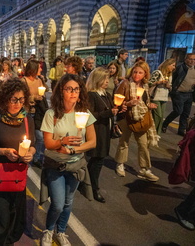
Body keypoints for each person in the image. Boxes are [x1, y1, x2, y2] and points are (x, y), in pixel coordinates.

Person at [40, 74, 96, 246]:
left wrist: (74, 149)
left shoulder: (84, 114)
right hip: (56, 165)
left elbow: (93, 142)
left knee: (68, 202)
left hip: (76, 165)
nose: (73, 92)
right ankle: (48, 229)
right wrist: (62, 142)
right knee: (57, 203)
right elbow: (48, 144)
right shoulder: (52, 114)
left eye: (76, 89)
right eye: (69, 89)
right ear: (61, 92)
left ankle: (61, 231)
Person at [0, 78, 36, 245]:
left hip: (18, 176)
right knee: (0, 220)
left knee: (15, 219)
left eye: (21, 99)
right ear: (5, 98)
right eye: (14, 99)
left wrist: (31, 153)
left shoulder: (27, 119)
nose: (18, 103)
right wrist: (3, 151)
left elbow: (33, 144)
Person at [114, 61, 160, 181]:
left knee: (143, 144)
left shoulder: (145, 86)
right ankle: (120, 163)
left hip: (141, 118)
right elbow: (116, 101)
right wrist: (128, 103)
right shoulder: (125, 83)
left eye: (140, 72)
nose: (136, 75)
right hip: (126, 118)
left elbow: (144, 102)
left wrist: (149, 105)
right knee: (124, 142)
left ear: (145, 74)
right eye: (135, 72)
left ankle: (144, 169)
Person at [85, 68, 119, 203]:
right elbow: (90, 116)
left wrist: (118, 110)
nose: (107, 82)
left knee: (96, 161)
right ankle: (94, 188)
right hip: (97, 132)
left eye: (108, 79)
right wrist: (108, 113)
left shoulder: (106, 94)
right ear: (97, 80)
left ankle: (86, 182)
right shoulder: (92, 95)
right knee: (97, 161)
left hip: (105, 131)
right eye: (104, 79)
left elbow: (110, 111)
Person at [22, 59, 48, 167]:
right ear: (33, 69)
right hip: (26, 112)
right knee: (26, 137)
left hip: (38, 113)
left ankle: (36, 157)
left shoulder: (39, 80)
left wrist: (42, 95)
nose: (41, 69)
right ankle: (23, 156)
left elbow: (44, 94)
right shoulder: (23, 81)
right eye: (39, 67)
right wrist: (33, 98)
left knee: (40, 137)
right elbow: (21, 97)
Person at [162, 53, 195, 136]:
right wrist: (172, 89)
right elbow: (172, 78)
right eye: (190, 59)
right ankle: (165, 124)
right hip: (179, 93)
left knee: (186, 113)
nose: (192, 61)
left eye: (194, 59)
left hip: (189, 93)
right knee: (178, 111)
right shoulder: (180, 68)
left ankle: (181, 130)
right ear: (185, 59)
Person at [149, 58, 175, 135]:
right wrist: (158, 82)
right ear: (168, 65)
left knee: (161, 117)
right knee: (158, 116)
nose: (174, 67)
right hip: (155, 97)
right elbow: (149, 83)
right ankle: (152, 133)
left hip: (164, 98)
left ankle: (157, 133)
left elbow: (170, 88)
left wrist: (168, 86)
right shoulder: (157, 73)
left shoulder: (169, 75)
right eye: (173, 65)